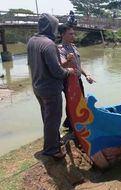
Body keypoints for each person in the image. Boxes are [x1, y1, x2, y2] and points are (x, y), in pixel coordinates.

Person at [27, 13, 76, 159]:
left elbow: (43, 65)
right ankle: (51, 150)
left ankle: (54, 141)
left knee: (48, 117)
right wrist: (69, 70)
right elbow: (57, 72)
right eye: (55, 26)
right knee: (53, 118)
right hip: (50, 88)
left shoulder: (32, 41)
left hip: (37, 86)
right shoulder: (49, 45)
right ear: (51, 27)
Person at [58, 24, 95, 129]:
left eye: (73, 33)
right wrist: (68, 60)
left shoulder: (73, 47)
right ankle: (71, 125)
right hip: (68, 81)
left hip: (77, 79)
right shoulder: (60, 49)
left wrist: (87, 74)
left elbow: (79, 64)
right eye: (70, 34)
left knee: (81, 100)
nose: (73, 36)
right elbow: (61, 65)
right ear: (62, 35)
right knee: (72, 102)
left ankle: (71, 122)